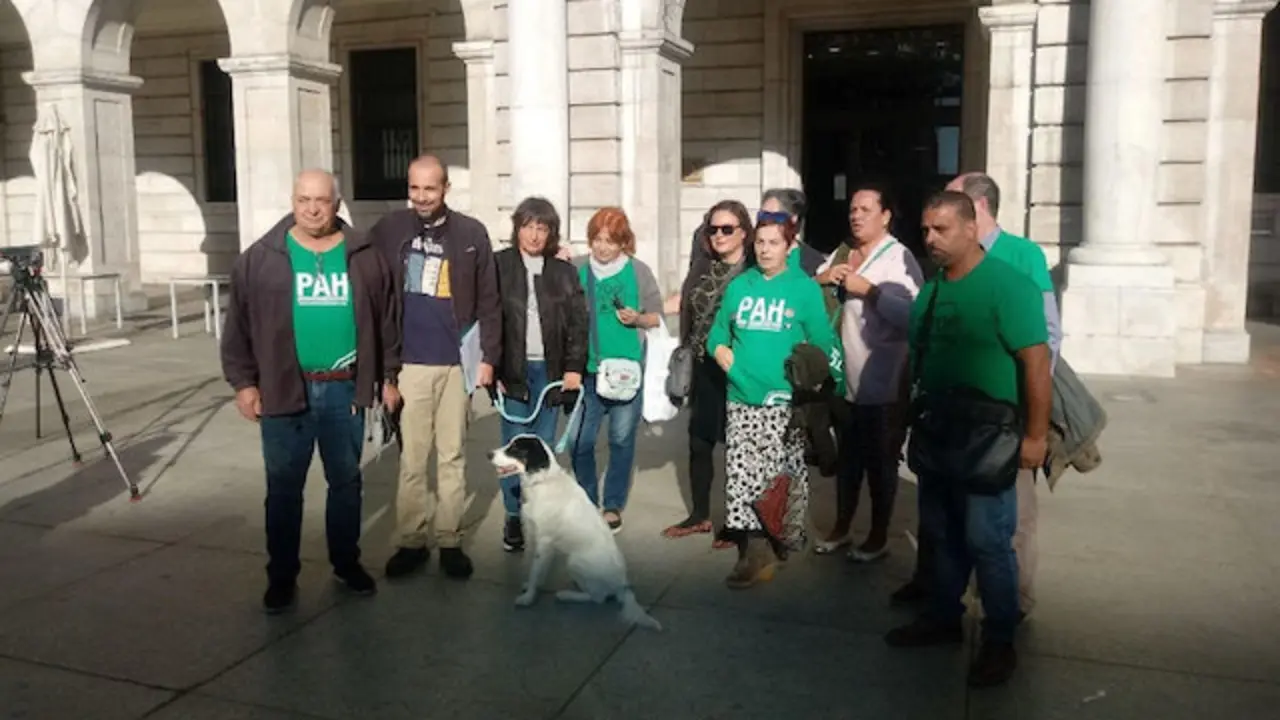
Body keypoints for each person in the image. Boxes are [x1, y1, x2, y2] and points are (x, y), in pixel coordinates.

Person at [884, 190, 1051, 689]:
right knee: (941, 533)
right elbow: (914, 361)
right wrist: (899, 423)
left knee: (989, 541)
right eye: (926, 230)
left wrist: (1036, 437)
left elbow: (1036, 364)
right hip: (938, 431)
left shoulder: (1009, 285)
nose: (930, 239)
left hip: (990, 438)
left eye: (942, 229)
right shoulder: (931, 290)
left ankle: (1000, 639)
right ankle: (942, 618)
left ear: (971, 228)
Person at [221, 169, 401, 613]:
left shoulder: (364, 255)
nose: (312, 208)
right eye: (304, 199)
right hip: (286, 390)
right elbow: (238, 327)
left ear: (336, 203)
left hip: (344, 390)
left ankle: (346, 563)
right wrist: (244, 383)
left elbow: (386, 320)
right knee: (283, 489)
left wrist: (389, 377)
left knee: (346, 482)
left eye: (321, 200)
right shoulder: (260, 258)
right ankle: (281, 575)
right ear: (292, 200)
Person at [368, 155, 502, 580]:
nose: (422, 197)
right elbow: (357, 264)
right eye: (414, 188)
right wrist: (384, 372)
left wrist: (488, 359)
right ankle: (411, 540)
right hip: (409, 362)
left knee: (452, 456)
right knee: (412, 460)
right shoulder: (389, 230)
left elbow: (489, 300)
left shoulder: (470, 233)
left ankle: (449, 540)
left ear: (445, 188)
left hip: (455, 363)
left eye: (430, 188)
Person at [706, 215, 840, 588]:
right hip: (742, 396)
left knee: (782, 475)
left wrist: (818, 378)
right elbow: (717, 331)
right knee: (744, 475)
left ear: (789, 246)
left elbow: (824, 344)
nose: (765, 249)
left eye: (773, 243)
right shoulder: (739, 286)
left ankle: (780, 536)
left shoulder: (804, 289)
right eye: (760, 242)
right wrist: (719, 350)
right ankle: (754, 548)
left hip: (786, 402)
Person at [813, 183, 922, 561]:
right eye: (853, 209)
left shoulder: (899, 258)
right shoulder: (843, 253)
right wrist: (826, 278)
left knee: (881, 463)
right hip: (844, 379)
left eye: (865, 209)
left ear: (886, 215)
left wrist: (870, 291)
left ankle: (877, 535)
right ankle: (842, 527)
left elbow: (913, 317)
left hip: (884, 382)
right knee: (848, 461)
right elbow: (810, 292)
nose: (856, 215)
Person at [493, 197, 587, 552]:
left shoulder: (563, 272)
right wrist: (493, 364)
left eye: (542, 228)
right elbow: (489, 318)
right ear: (518, 227)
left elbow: (578, 323)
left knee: (543, 452)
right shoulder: (498, 265)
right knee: (515, 450)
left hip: (549, 374)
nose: (534, 235)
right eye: (528, 226)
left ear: (551, 233)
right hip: (514, 373)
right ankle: (513, 515)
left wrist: (573, 369)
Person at [661, 200, 754, 545]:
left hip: (736, 370)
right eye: (713, 229)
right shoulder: (702, 266)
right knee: (699, 443)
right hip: (702, 367)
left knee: (738, 447)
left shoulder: (753, 272)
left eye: (727, 229)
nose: (718, 235)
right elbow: (684, 305)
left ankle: (737, 522)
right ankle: (700, 515)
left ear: (744, 232)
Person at [569, 207, 663, 533]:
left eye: (610, 241)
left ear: (625, 242)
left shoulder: (638, 272)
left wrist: (638, 318)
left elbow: (657, 316)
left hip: (626, 370)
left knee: (621, 439)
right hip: (588, 370)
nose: (602, 248)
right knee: (578, 441)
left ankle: (612, 505)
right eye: (597, 240)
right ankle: (585, 497)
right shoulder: (577, 267)